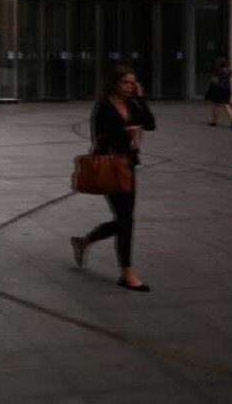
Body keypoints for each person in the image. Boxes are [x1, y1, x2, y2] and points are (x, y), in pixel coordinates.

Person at [70, 65, 156, 292]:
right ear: (114, 83)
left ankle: (85, 241)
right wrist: (127, 131)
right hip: (110, 166)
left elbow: (151, 124)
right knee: (125, 219)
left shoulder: (134, 103)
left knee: (125, 219)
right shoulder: (105, 106)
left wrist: (142, 98)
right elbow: (100, 136)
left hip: (128, 166)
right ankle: (127, 272)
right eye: (126, 82)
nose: (130, 86)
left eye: (133, 82)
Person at [207, 57, 232, 129]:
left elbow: (214, 81)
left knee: (215, 105)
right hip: (227, 89)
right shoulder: (229, 71)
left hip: (219, 90)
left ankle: (214, 122)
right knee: (227, 105)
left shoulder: (218, 71)